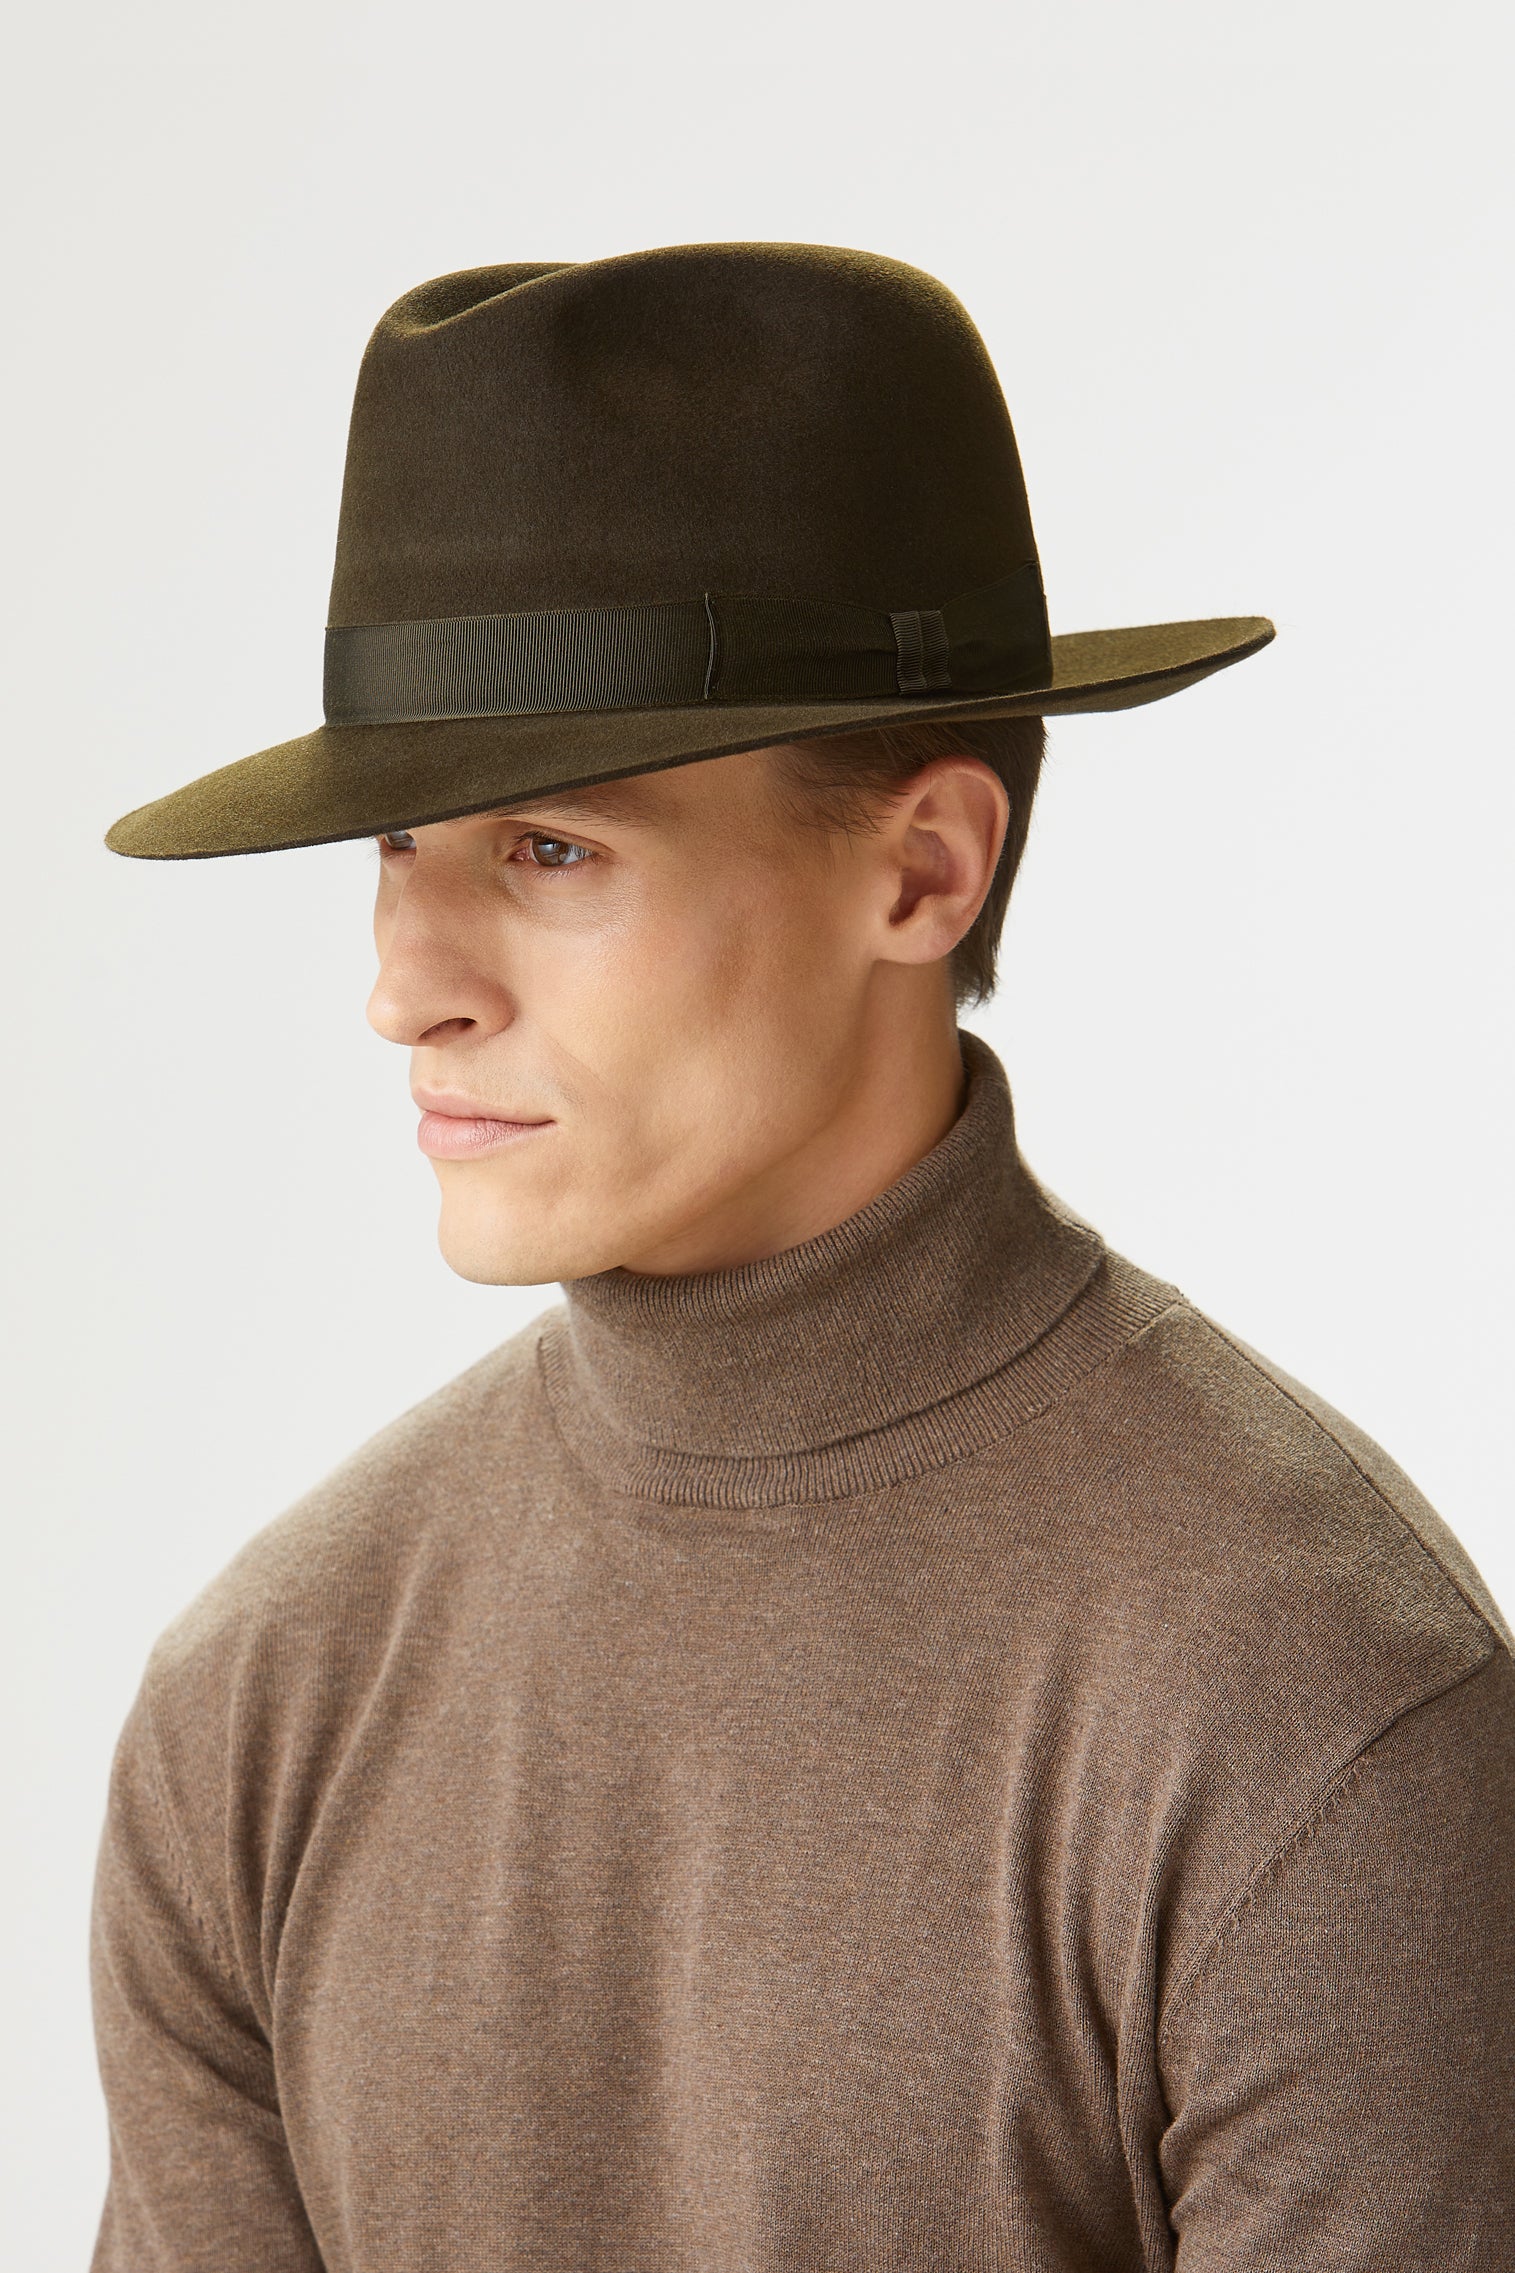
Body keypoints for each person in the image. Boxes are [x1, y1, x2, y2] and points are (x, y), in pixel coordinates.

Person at [93, 243, 1514, 2271]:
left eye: (549, 848)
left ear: (921, 869)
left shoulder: (1302, 1705)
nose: (405, 986)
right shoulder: (261, 1702)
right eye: (396, 847)